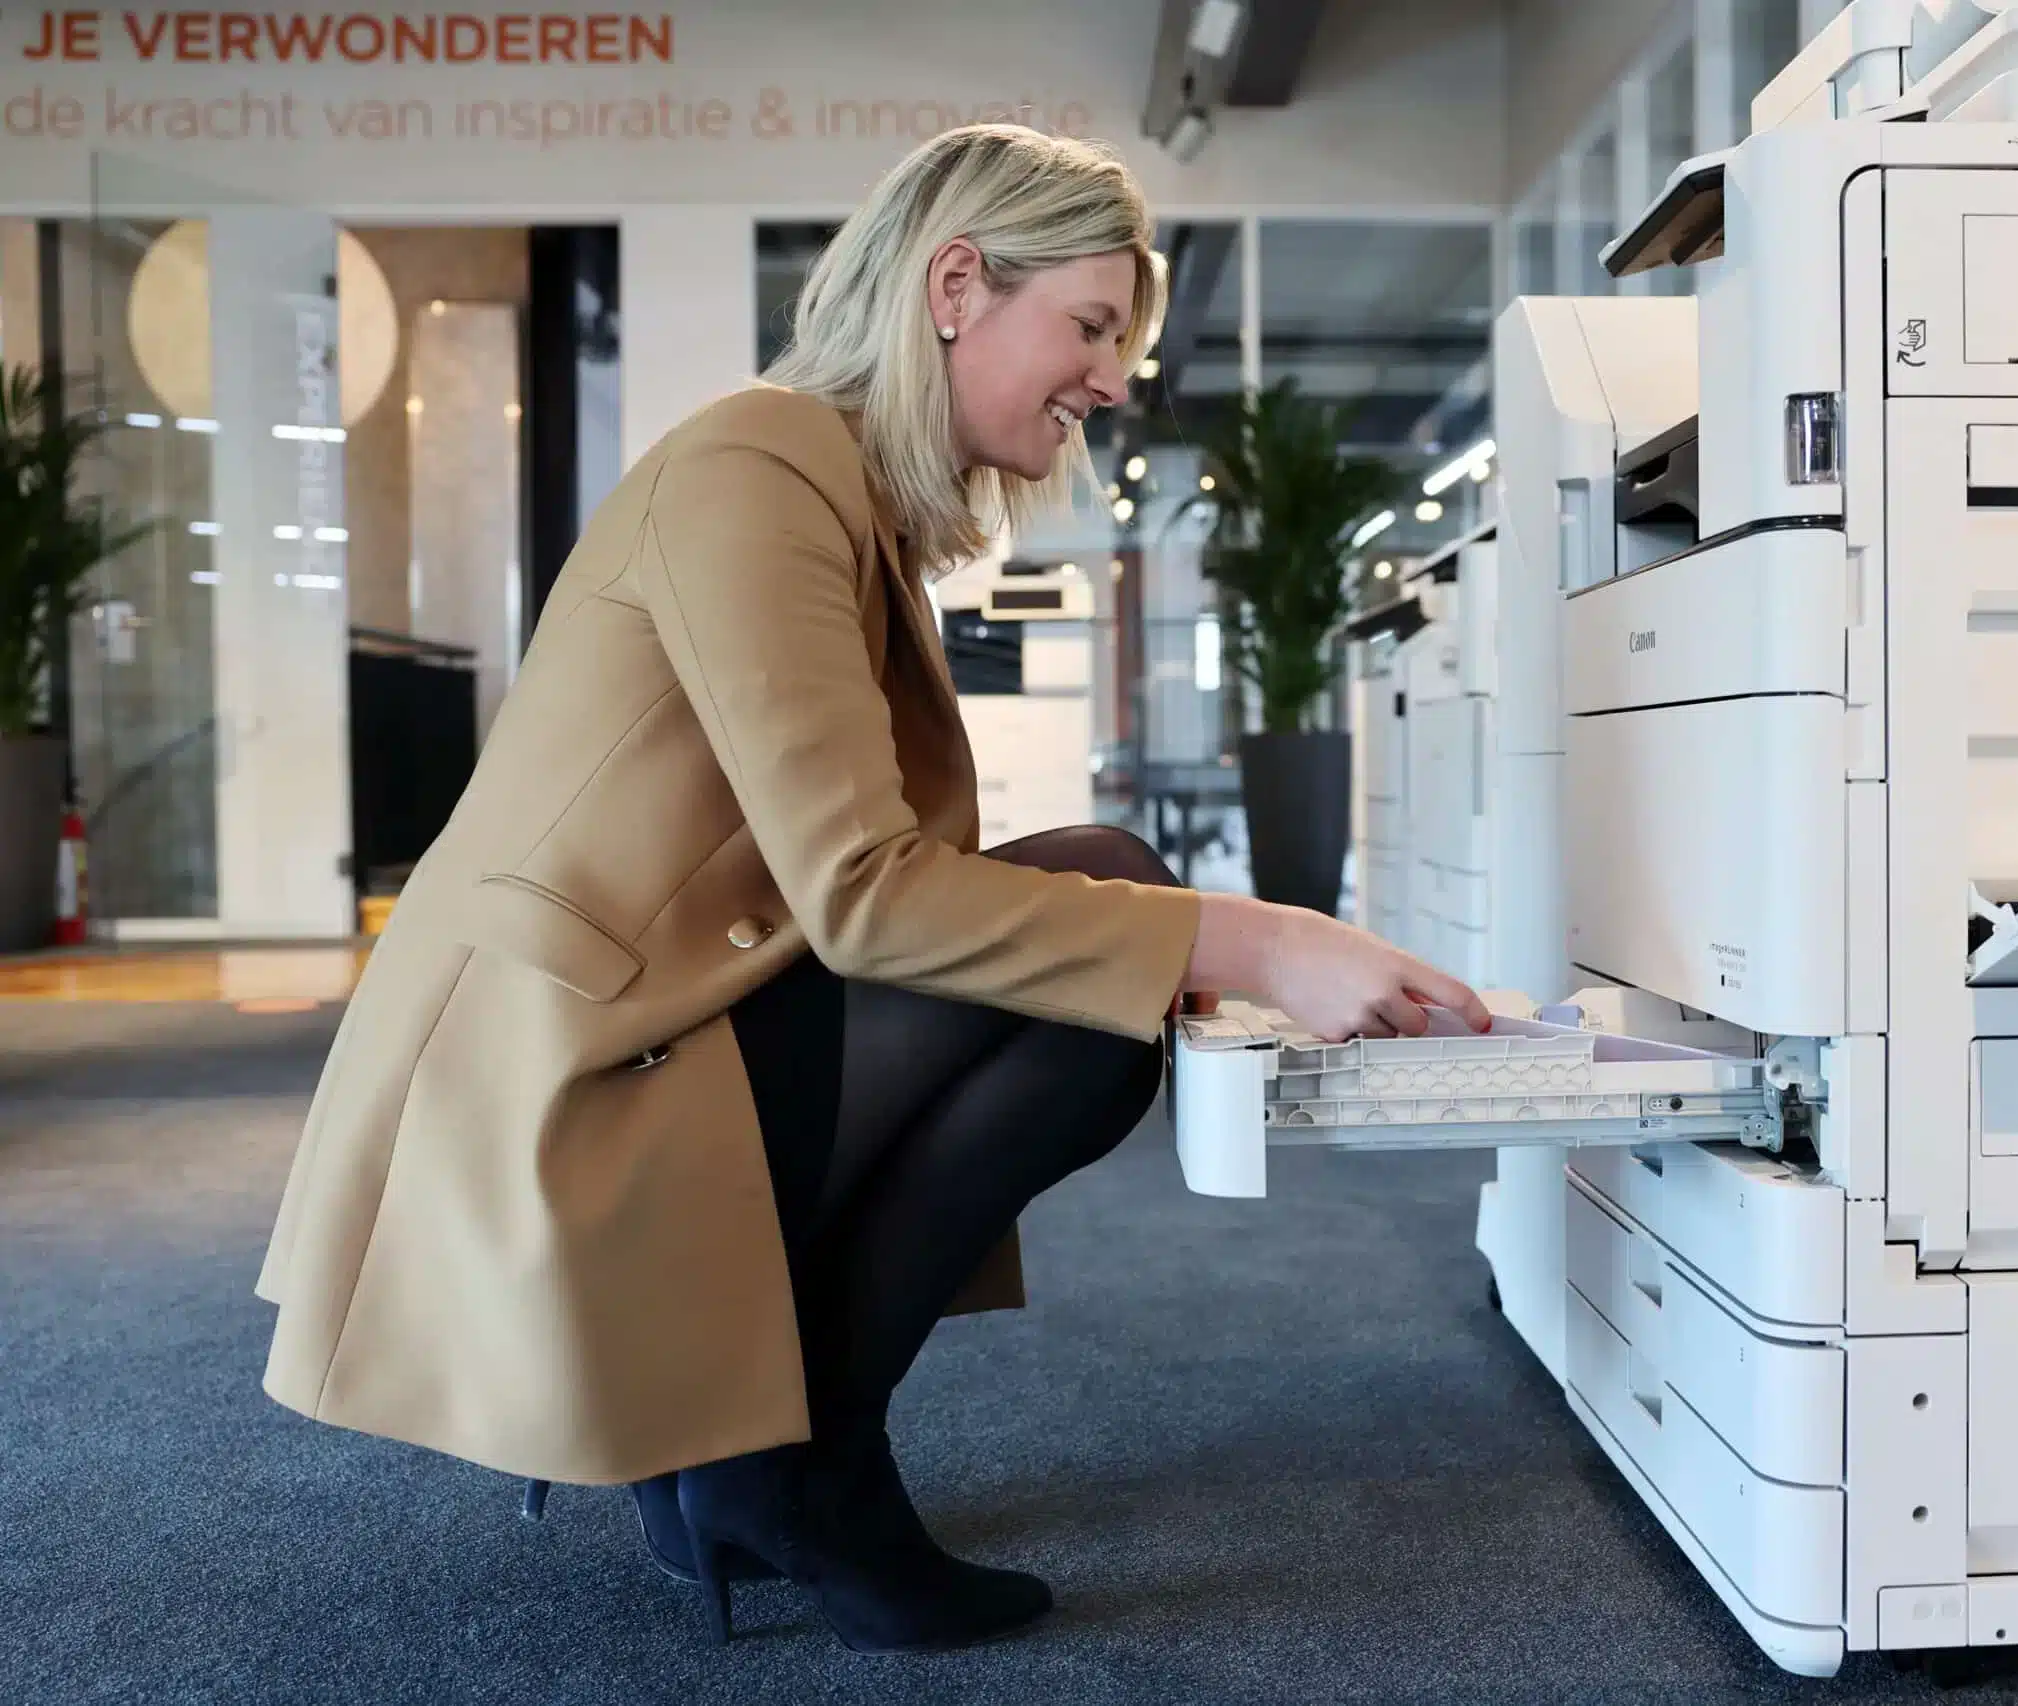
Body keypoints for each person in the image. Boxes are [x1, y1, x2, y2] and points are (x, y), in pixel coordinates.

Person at [252, 122, 1489, 1656]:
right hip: (565, 1068)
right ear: (956, 286)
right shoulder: (761, 467)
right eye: (1092, 326)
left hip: (647, 1011)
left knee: (1101, 919)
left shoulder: (830, 492)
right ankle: (796, 1463)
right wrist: (1263, 937)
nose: (1112, 381)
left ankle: (748, 1451)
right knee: (1103, 961)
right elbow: (865, 896)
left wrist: (1196, 941)